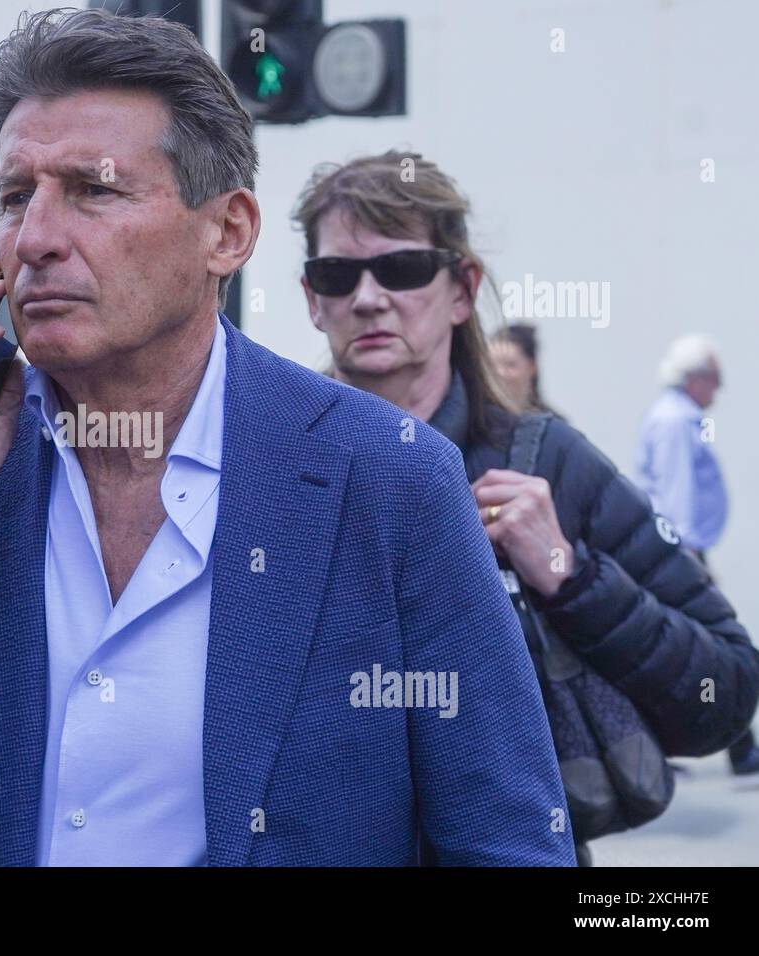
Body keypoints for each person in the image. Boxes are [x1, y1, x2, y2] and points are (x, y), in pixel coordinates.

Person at [0, 9, 573, 867]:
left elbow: (505, 841)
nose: (38, 240)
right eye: (17, 197)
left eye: (95, 190)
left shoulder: (387, 479)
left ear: (228, 232)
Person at [293, 150, 759, 858]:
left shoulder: (547, 463)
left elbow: (723, 694)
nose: (367, 297)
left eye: (403, 268)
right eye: (338, 274)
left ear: (461, 288)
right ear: (310, 297)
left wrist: (570, 576)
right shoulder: (275, 463)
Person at [636, 336, 757, 774]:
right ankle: (740, 747)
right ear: (695, 377)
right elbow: (677, 493)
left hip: (680, 550)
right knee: (712, 644)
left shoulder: (681, 418)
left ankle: (734, 746)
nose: (718, 390)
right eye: (714, 379)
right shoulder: (675, 422)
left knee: (677, 646)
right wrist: (688, 558)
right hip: (680, 550)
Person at [491, 323, 558, 415]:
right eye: (491, 365)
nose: (500, 372)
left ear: (532, 366)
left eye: (510, 365)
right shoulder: (476, 420)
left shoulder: (551, 425)